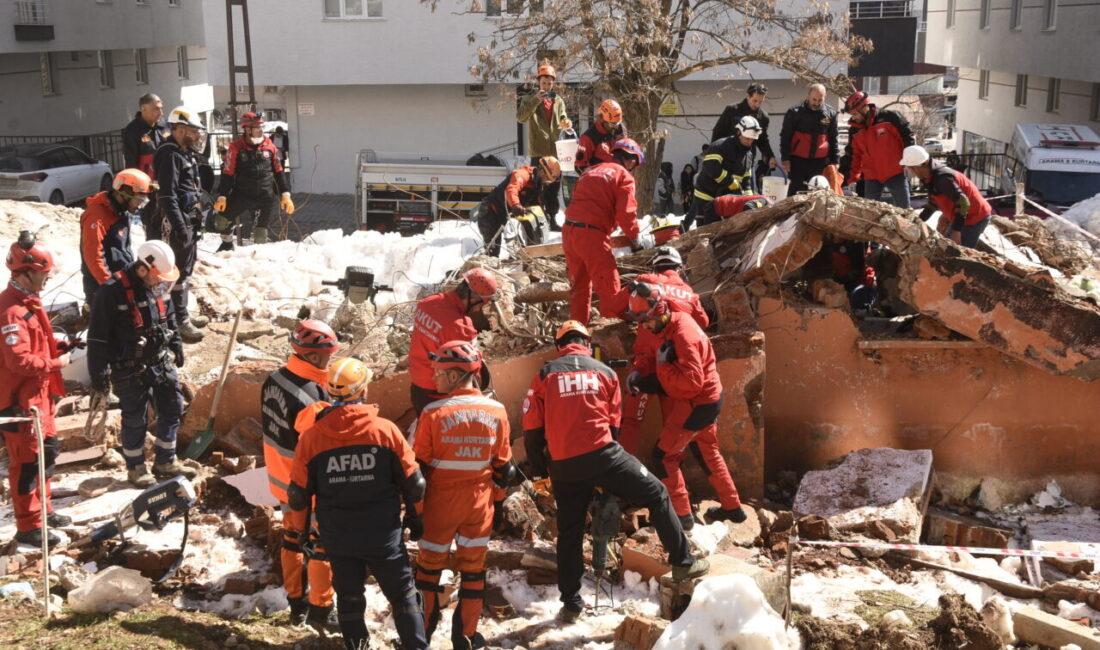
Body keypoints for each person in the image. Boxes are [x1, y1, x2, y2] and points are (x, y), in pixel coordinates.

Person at [523, 321, 708, 622]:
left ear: (559, 346)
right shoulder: (605, 372)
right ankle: (683, 561)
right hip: (604, 456)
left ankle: (571, 603)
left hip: (564, 467)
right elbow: (614, 427)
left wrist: (542, 469)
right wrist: (608, 474)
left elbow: (532, 429)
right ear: (586, 342)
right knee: (657, 492)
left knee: (569, 532)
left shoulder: (545, 373)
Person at [288, 357, 428, 650]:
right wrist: (416, 518)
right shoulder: (385, 431)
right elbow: (414, 485)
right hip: (383, 536)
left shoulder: (312, 438)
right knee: (404, 597)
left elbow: (298, 495)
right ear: (363, 389)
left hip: (338, 537)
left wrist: (302, 533)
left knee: (350, 599)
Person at [413, 341, 515, 650]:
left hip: (439, 504)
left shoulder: (432, 412)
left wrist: (415, 511)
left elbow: (418, 470)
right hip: (479, 504)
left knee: (428, 571)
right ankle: (467, 638)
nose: (435, 378)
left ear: (457, 375)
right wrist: (496, 506)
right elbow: (504, 468)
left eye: (439, 373)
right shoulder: (497, 411)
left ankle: (420, 636)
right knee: (473, 573)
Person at [624, 283, 746, 530]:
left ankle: (682, 518)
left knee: (663, 456)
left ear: (659, 312)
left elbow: (690, 384)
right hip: (707, 398)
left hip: (696, 403)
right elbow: (660, 359)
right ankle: (733, 509)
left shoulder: (683, 334)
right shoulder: (674, 321)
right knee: (707, 451)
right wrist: (640, 373)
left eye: (646, 321)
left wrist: (660, 369)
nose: (644, 327)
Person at [87, 240, 197, 487]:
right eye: (158, 277)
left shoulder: (157, 288)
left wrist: (176, 343)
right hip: (129, 368)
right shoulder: (110, 292)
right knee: (135, 418)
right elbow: (96, 338)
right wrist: (99, 376)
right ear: (143, 268)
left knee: (173, 408)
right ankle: (136, 468)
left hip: (159, 361)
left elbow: (168, 317)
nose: (161, 283)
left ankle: (165, 460)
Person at [261, 319, 338, 628]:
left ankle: (296, 604)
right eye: (329, 354)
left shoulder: (273, 379)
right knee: (321, 546)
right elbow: (318, 451)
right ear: (316, 357)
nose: (331, 359)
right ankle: (321, 609)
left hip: (280, 478)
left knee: (291, 540)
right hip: (306, 486)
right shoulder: (313, 401)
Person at [0, 234, 73, 546]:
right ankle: (29, 527)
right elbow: (18, 362)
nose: (47, 280)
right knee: (28, 464)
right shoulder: (11, 312)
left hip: (39, 397)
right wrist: (57, 364)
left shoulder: (27, 301)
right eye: (44, 275)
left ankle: (44, 511)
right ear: (26, 272)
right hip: (20, 403)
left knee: (48, 454)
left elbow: (37, 341)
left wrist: (60, 345)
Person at [617, 247, 708, 457]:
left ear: (655, 266)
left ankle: (621, 476)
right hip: (673, 364)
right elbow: (703, 322)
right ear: (679, 267)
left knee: (630, 421)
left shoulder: (645, 281)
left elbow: (612, 307)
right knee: (672, 426)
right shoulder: (688, 291)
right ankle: (672, 477)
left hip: (644, 362)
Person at [562, 138, 652, 324]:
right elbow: (626, 214)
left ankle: (578, 333)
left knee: (579, 288)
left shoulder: (590, 171)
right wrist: (636, 239)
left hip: (569, 232)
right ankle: (610, 336)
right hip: (591, 235)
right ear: (631, 161)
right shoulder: (624, 176)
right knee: (609, 289)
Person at [151, 106, 208, 343]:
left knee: (185, 271)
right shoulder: (170, 154)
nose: (197, 137)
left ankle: (182, 316)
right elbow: (167, 195)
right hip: (174, 225)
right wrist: (179, 226)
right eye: (194, 132)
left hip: (188, 220)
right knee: (172, 274)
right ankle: (176, 321)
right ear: (181, 129)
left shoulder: (185, 153)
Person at [408, 268, 498, 416]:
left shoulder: (427, 303)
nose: (477, 310)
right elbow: (472, 367)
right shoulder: (460, 326)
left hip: (417, 388)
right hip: (439, 394)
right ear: (473, 298)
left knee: (425, 433)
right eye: (480, 305)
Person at [213, 112, 294, 251]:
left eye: (261, 126)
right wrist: (222, 196)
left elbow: (279, 172)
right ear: (247, 129)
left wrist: (285, 194)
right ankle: (226, 244)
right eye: (257, 127)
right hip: (242, 194)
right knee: (220, 223)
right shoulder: (236, 147)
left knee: (260, 236)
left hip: (265, 197)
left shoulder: (270, 146)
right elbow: (228, 173)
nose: (261, 130)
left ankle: (259, 259)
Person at [80, 169, 151, 305]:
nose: (139, 206)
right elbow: (94, 256)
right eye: (138, 199)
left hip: (120, 280)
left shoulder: (121, 212)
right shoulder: (97, 215)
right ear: (125, 193)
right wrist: (109, 285)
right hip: (103, 286)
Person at [902, 145, 993, 248]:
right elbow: (933, 203)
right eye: (911, 168)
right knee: (945, 249)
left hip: (975, 216)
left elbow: (963, 202)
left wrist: (957, 231)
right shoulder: (930, 176)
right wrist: (917, 221)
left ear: (925, 163)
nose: (912, 171)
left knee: (959, 255)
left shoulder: (943, 179)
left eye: (913, 168)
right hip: (963, 217)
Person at [683, 116, 762, 231]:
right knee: (705, 230)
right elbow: (711, 166)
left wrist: (748, 199)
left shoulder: (748, 156)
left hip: (725, 198)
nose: (750, 141)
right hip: (706, 194)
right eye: (747, 138)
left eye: (752, 139)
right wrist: (731, 181)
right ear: (739, 132)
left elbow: (747, 181)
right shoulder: (721, 146)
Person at [516, 64, 572, 220]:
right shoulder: (529, 99)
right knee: (537, 188)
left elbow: (562, 118)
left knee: (554, 187)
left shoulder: (558, 100)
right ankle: (538, 219)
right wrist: (535, 100)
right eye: (543, 83)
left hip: (554, 152)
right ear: (538, 83)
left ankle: (552, 218)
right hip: (538, 152)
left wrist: (567, 123)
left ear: (553, 83)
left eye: (549, 83)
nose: (546, 87)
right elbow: (521, 118)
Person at [476, 157, 560, 257]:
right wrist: (516, 205)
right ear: (542, 171)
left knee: (519, 250)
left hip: (506, 215)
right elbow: (511, 190)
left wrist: (543, 215)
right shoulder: (522, 174)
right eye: (546, 178)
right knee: (492, 250)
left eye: (549, 181)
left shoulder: (537, 184)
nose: (545, 182)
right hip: (491, 212)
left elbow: (536, 202)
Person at [844, 91, 913, 208]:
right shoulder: (855, 130)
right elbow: (855, 156)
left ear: (864, 108)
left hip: (896, 172)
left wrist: (910, 163)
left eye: (855, 114)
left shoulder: (890, 118)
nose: (853, 117)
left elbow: (908, 139)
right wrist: (853, 179)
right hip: (871, 177)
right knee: (870, 212)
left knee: (905, 209)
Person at [711, 83, 777, 190]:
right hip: (727, 161)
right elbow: (717, 133)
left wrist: (770, 156)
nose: (757, 105)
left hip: (747, 162)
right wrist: (714, 155)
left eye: (760, 102)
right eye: (755, 101)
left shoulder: (763, 117)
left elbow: (762, 140)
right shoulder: (732, 110)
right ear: (747, 96)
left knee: (747, 194)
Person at [780, 84, 839, 195]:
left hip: (819, 163)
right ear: (808, 96)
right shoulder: (794, 113)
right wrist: (785, 159)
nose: (816, 103)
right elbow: (785, 136)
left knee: (817, 195)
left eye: (820, 100)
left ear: (825, 97)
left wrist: (835, 161)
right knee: (796, 194)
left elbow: (833, 138)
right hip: (797, 162)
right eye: (814, 99)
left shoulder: (831, 114)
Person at [122, 93, 170, 177]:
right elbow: (131, 163)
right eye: (156, 109)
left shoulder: (166, 125)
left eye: (161, 109)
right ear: (143, 109)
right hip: (147, 183)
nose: (161, 113)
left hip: (168, 179)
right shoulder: (132, 131)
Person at [575, 99, 627, 174]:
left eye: (618, 123)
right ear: (602, 119)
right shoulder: (588, 138)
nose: (616, 127)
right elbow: (579, 166)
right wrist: (596, 179)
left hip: (619, 176)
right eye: (612, 124)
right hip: (601, 180)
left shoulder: (619, 129)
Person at [702, 194, 771, 224]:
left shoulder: (764, 199)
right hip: (716, 207)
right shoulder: (765, 201)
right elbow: (748, 207)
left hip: (720, 205)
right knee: (707, 240)